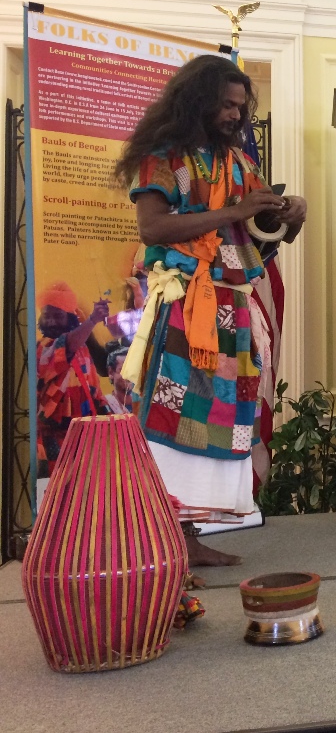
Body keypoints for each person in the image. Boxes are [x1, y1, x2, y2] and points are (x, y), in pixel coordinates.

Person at [114, 54, 306, 566]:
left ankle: (190, 537)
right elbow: (153, 229)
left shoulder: (239, 164)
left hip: (232, 307)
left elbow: (261, 242)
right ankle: (157, 540)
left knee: (221, 412)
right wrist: (235, 211)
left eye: (240, 108)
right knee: (171, 415)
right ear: (197, 101)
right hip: (183, 303)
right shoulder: (165, 157)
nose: (234, 116)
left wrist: (293, 217)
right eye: (224, 105)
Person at [35, 282, 111, 473]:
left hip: (87, 437)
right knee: (56, 492)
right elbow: (66, 346)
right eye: (47, 316)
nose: (51, 321)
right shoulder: (41, 348)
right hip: (53, 438)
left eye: (58, 316)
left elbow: (101, 373)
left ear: (70, 318)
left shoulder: (83, 349)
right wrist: (92, 319)